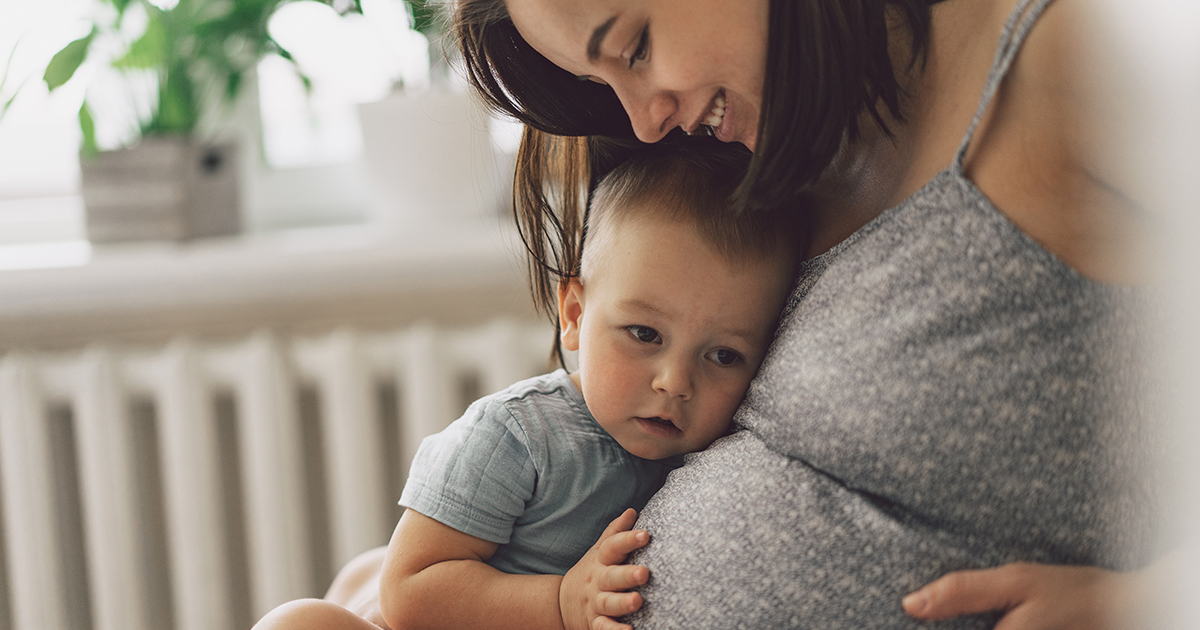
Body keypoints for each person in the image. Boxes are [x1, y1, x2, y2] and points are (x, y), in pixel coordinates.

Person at [443, 0, 1163, 627]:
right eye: (602, 84)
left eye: (634, 47)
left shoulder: (1067, 57)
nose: (644, 119)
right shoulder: (749, 162)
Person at [252, 139, 805, 630]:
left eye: (725, 355)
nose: (676, 381)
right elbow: (408, 591)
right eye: (644, 333)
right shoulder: (518, 435)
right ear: (573, 313)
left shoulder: (721, 455)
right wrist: (561, 602)